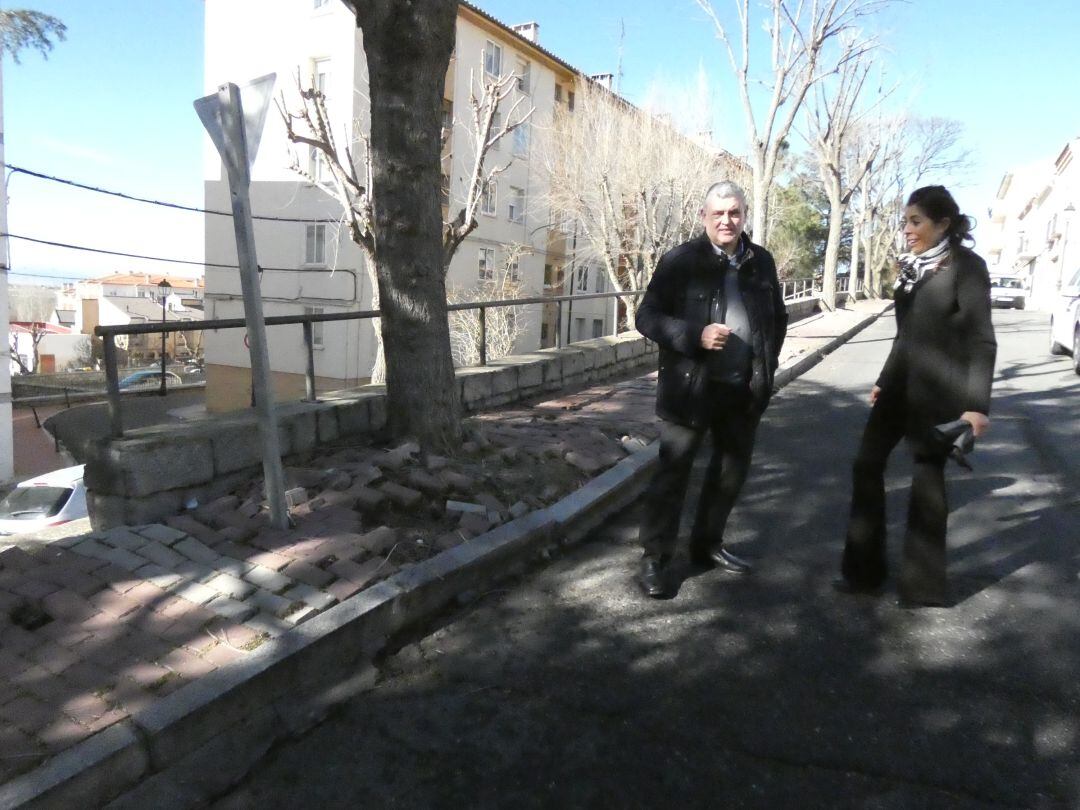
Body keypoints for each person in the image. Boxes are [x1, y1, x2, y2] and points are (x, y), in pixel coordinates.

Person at [835, 185, 997, 608]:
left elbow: (982, 340)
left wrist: (977, 405)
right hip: (899, 389)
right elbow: (905, 336)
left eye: (915, 221)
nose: (906, 229)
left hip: (941, 392)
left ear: (943, 223)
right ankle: (864, 573)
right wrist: (884, 380)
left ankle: (922, 587)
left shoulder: (967, 267)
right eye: (905, 220)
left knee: (927, 479)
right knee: (865, 465)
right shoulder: (911, 270)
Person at [634, 181, 788, 598]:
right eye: (718, 213)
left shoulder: (761, 262)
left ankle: (706, 545)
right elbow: (645, 316)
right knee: (672, 476)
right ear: (704, 217)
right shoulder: (680, 261)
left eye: (734, 212)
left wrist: (766, 369)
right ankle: (654, 559)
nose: (727, 220)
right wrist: (693, 335)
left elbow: (777, 318)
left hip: (742, 390)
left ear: (744, 215)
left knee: (728, 474)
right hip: (690, 388)